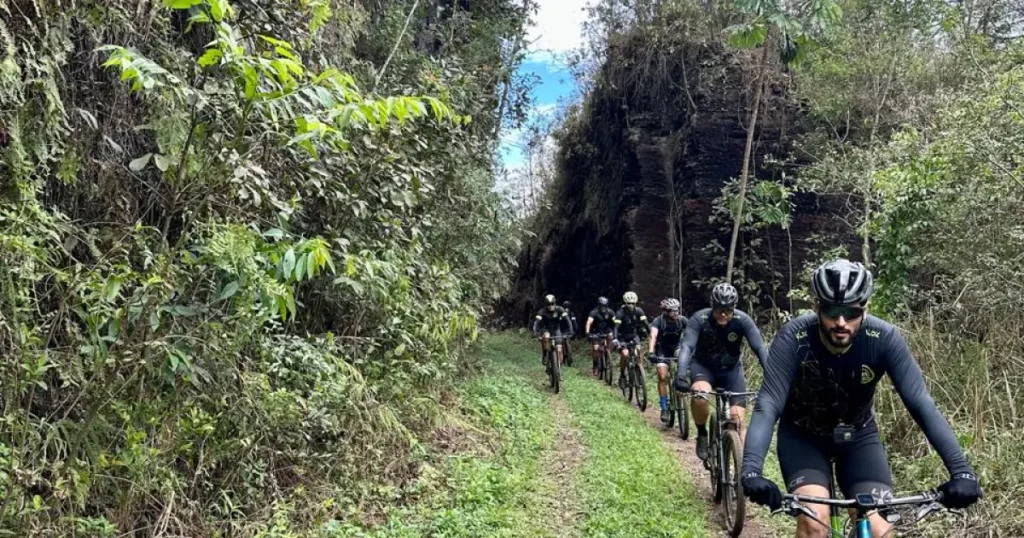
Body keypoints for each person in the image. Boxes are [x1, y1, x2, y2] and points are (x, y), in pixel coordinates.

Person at [740, 260, 981, 538]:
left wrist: (962, 472)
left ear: (864, 308)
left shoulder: (883, 338)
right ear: (817, 307)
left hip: (859, 437)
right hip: (802, 437)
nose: (841, 322)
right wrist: (751, 471)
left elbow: (920, 402)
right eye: (832, 311)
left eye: (851, 312)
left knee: (879, 529)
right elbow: (769, 403)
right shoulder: (794, 337)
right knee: (814, 523)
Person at [674, 282, 768, 461]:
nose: (723, 314)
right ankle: (702, 433)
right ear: (712, 307)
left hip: (731, 371)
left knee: (738, 421)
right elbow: (687, 346)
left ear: (734, 308)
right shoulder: (699, 319)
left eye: (728, 310)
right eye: (719, 310)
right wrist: (681, 374)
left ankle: (747, 469)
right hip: (703, 368)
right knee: (700, 397)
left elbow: (760, 348)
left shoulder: (742, 321)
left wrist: (772, 377)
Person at [647, 298, 685, 424]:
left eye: (676, 310)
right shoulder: (659, 321)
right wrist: (651, 352)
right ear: (665, 312)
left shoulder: (682, 320)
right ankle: (664, 407)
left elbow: (693, 333)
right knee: (662, 376)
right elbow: (653, 336)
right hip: (661, 351)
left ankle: (681, 386)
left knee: (683, 360)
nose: (675, 313)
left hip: (676, 348)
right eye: (672, 311)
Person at [613, 291, 649, 384]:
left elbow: (646, 323)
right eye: (628, 303)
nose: (631, 305)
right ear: (625, 303)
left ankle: (639, 372)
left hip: (633, 335)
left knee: (637, 352)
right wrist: (615, 338)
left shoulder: (639, 311)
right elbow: (616, 327)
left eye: (633, 303)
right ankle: (622, 375)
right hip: (622, 336)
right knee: (625, 354)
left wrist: (651, 335)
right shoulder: (620, 312)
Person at [532, 294, 572, 374]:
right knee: (546, 337)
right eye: (548, 304)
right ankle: (545, 355)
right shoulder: (542, 311)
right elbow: (536, 323)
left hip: (556, 329)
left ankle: (559, 366)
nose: (550, 306)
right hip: (546, 329)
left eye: (552, 304)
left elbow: (568, 320)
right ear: (546, 305)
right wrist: (535, 332)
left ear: (555, 303)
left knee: (559, 348)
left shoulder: (560, 309)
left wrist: (570, 330)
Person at [585, 296, 617, 377]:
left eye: (605, 306)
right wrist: (587, 332)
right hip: (596, 332)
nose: (603, 308)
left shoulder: (610, 312)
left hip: (607, 331)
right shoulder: (594, 312)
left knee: (610, 336)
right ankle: (595, 366)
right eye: (602, 306)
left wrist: (618, 330)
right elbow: (589, 322)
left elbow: (616, 322)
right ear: (599, 306)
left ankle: (608, 354)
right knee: (596, 349)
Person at [562, 300, 577, 366]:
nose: (566, 309)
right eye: (566, 307)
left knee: (568, 342)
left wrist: (575, 330)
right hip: (562, 330)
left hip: (569, 330)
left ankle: (569, 355)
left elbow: (574, 323)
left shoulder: (572, 314)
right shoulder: (561, 313)